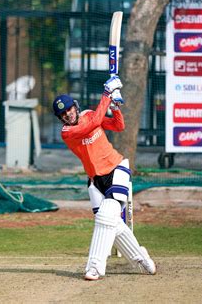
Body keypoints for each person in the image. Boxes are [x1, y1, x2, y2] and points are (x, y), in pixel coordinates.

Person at [52, 76, 156, 280]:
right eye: (63, 114)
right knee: (112, 224)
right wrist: (107, 95)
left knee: (106, 216)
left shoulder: (90, 114)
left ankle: (95, 267)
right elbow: (92, 125)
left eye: (69, 109)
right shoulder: (68, 132)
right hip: (95, 181)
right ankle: (139, 258)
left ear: (75, 106)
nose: (67, 114)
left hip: (116, 168)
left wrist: (115, 105)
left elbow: (118, 126)